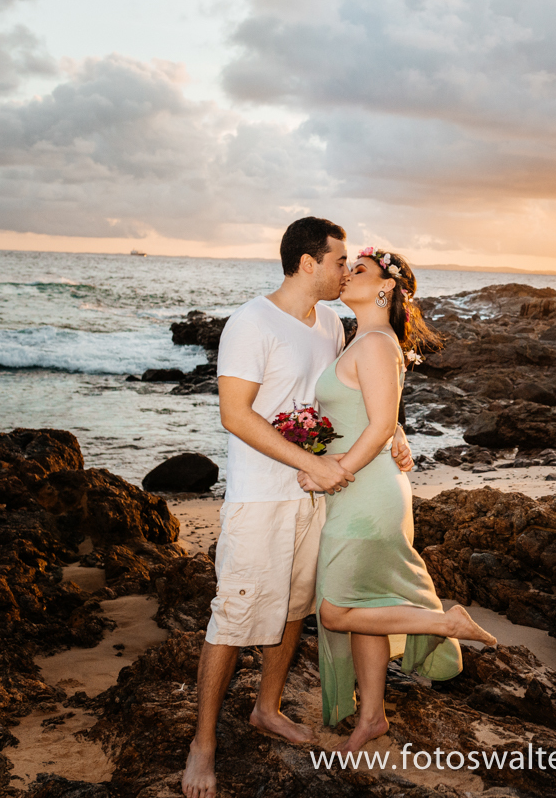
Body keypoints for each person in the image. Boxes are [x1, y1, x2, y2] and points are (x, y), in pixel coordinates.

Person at [181, 219, 414, 798]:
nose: (345, 270)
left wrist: (397, 431)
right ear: (309, 263)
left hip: (321, 496)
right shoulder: (250, 321)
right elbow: (235, 415)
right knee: (233, 617)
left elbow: (358, 392)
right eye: (339, 261)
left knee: (294, 607)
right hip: (263, 496)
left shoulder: (334, 323)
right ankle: (202, 745)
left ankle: (267, 708)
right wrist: (309, 464)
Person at [301, 247, 496, 754]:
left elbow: (380, 422)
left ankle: (444, 624)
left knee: (337, 612)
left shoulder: (375, 343)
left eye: (358, 269)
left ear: (386, 287)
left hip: (365, 494)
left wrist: (334, 472)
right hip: (361, 488)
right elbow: (381, 413)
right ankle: (372, 717)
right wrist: (396, 435)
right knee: (368, 601)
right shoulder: (364, 339)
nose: (346, 275)